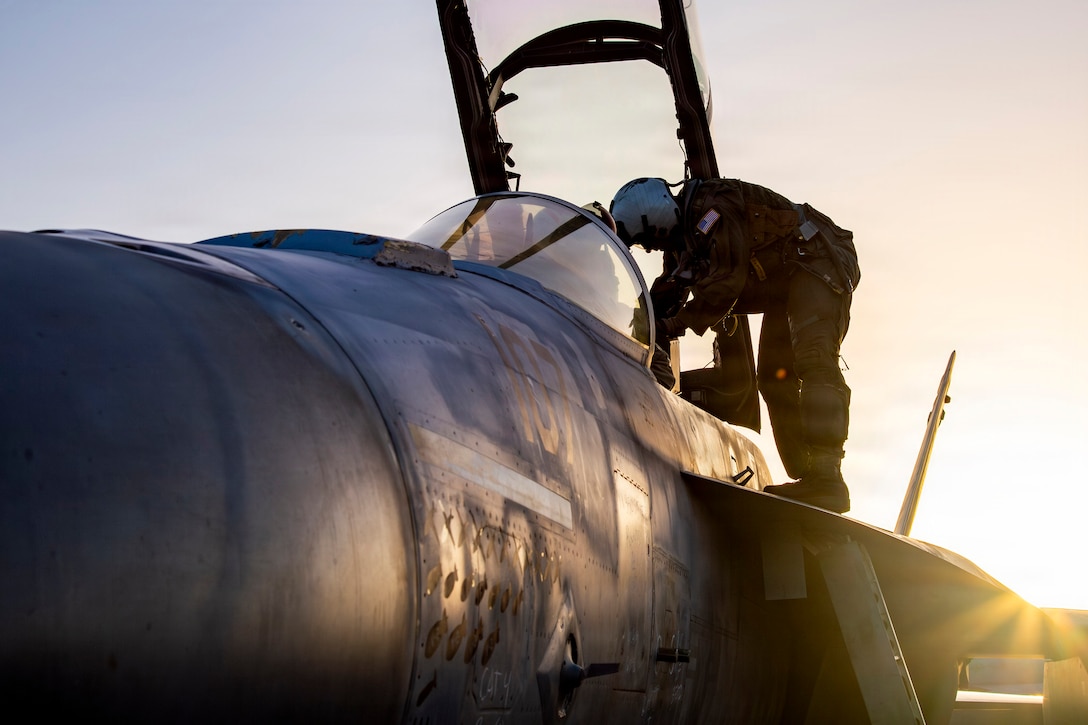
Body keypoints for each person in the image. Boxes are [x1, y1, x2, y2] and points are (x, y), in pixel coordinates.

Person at [610, 177, 860, 513]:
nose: (650, 248)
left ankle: (828, 477)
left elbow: (727, 281)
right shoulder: (685, 243)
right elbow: (670, 289)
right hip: (787, 284)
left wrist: (676, 325)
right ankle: (810, 476)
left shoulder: (712, 208)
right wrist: (641, 319)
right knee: (773, 378)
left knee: (813, 359)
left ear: (653, 218)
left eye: (646, 238)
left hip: (816, 261)